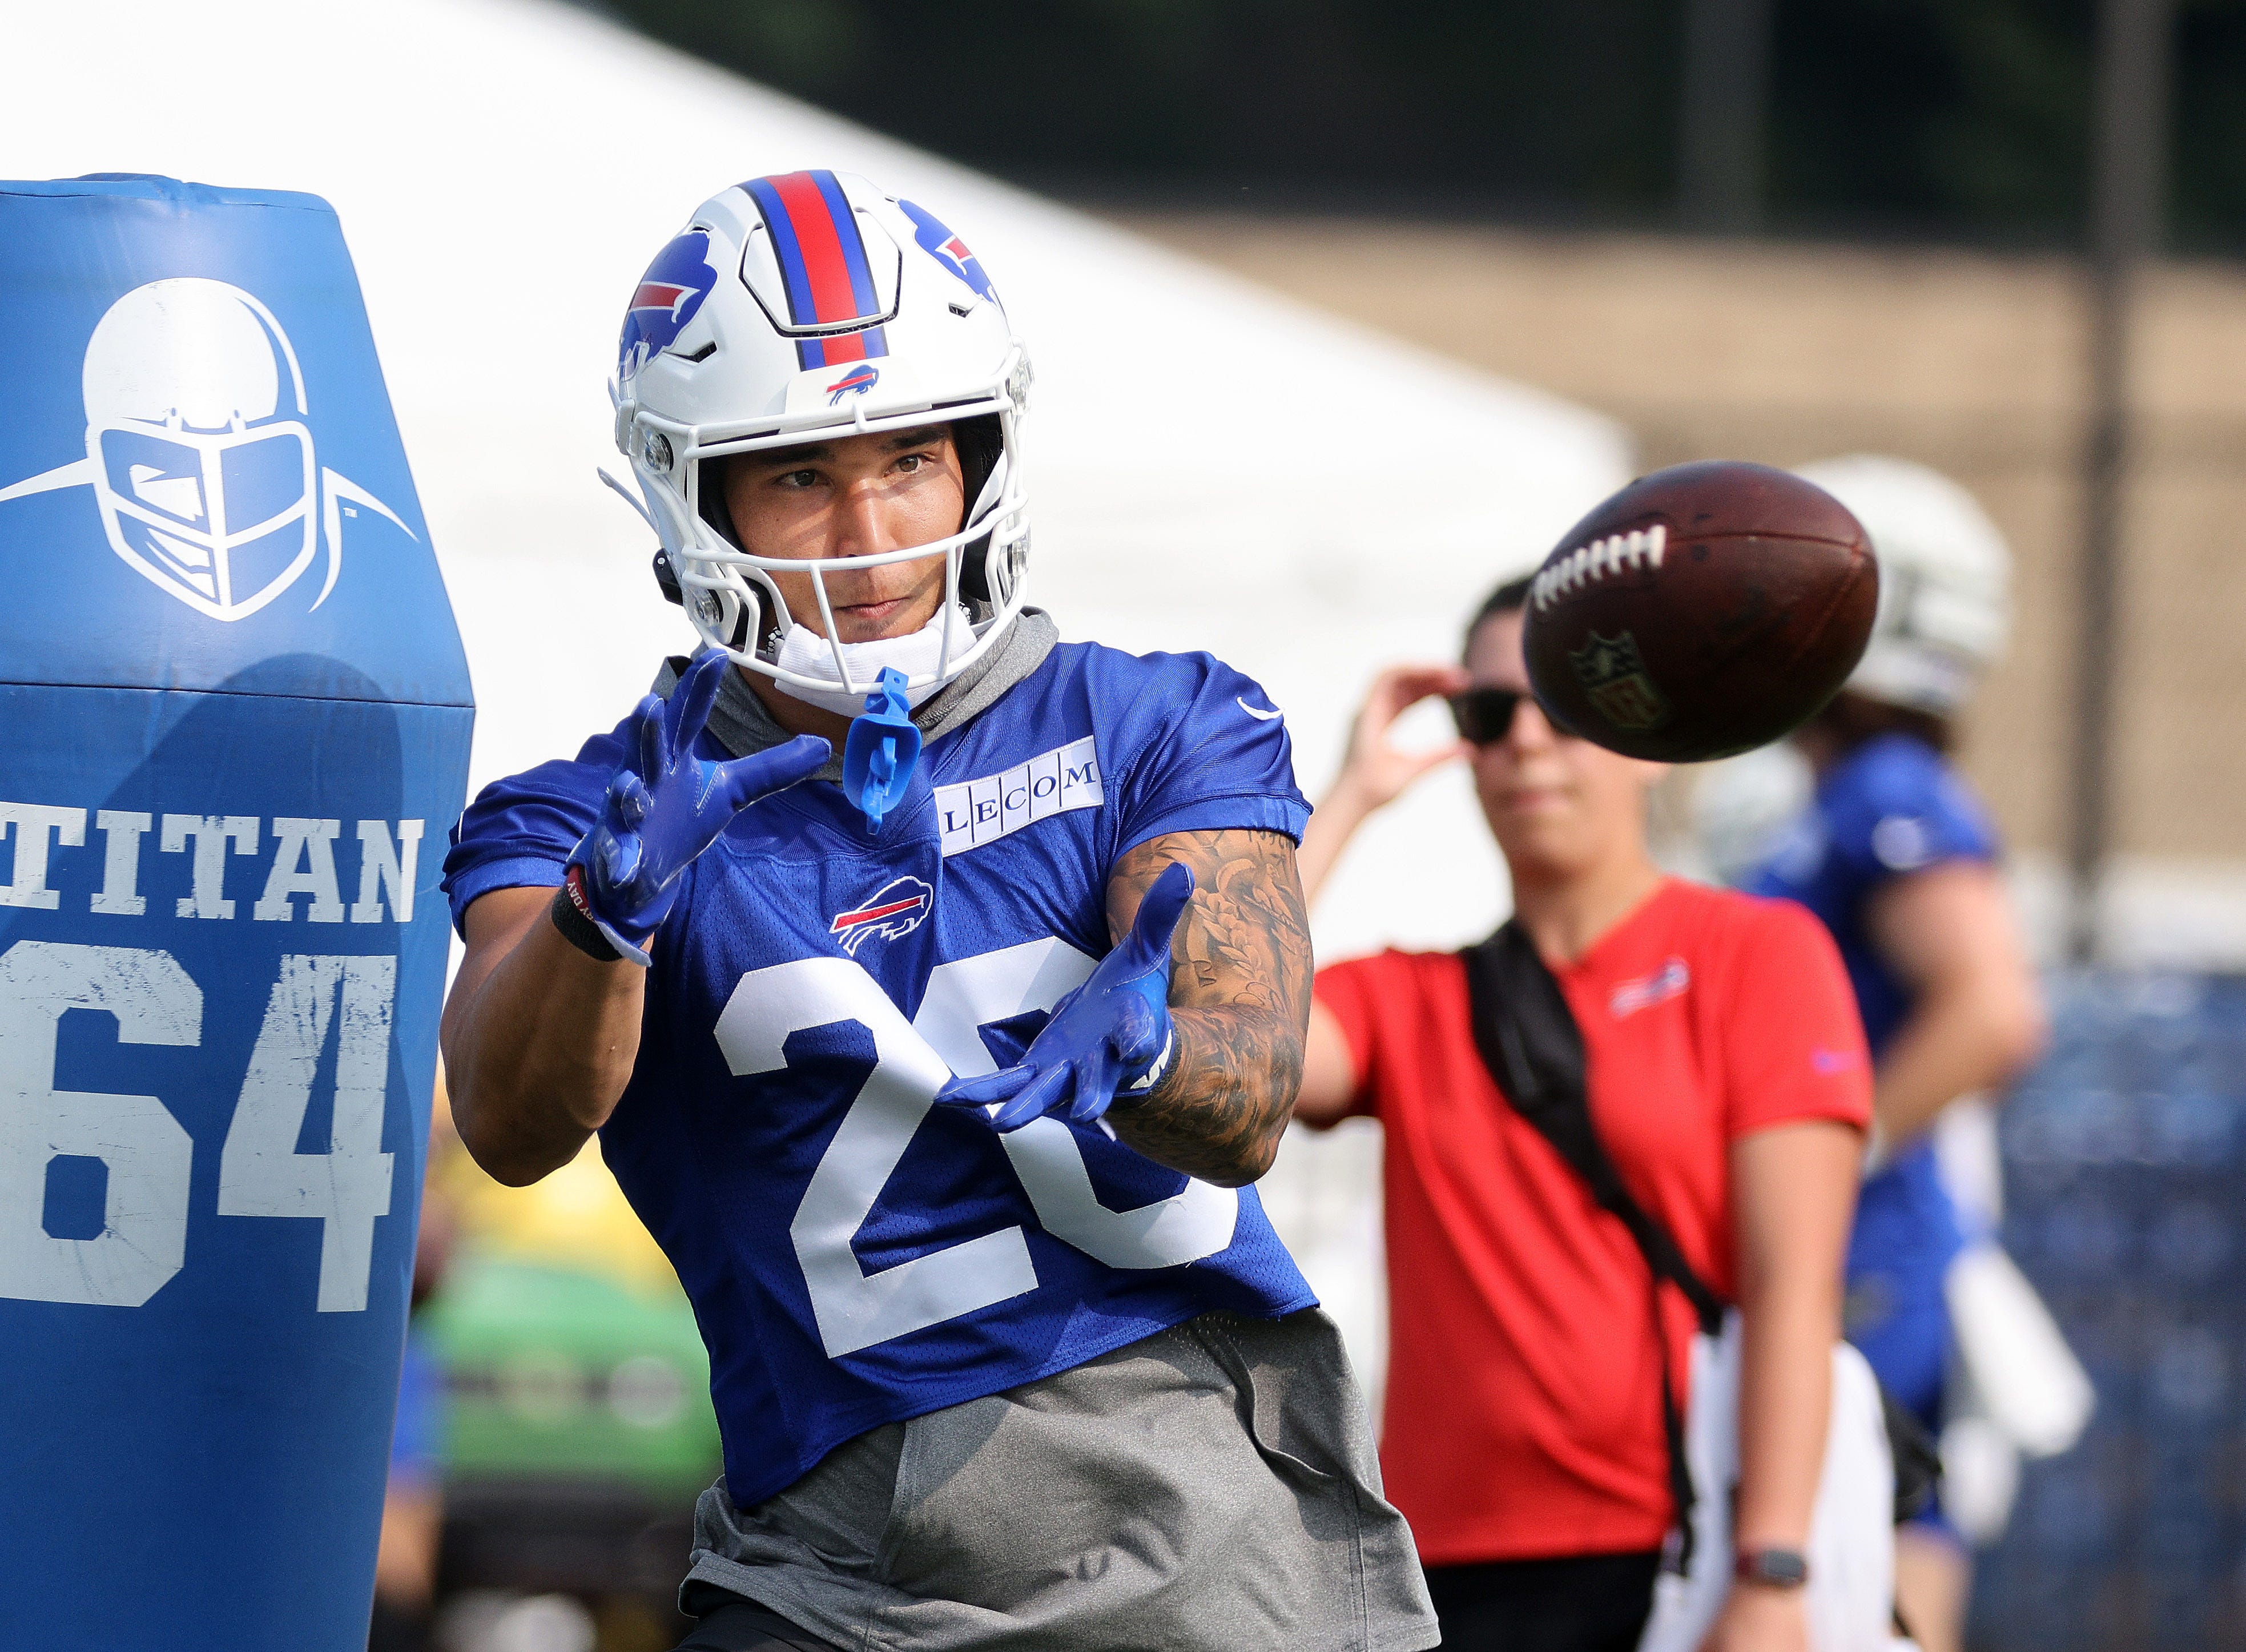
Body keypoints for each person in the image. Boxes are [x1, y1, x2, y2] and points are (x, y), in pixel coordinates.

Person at [438, 170, 1435, 1652]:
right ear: (689, 492)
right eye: (797, 476)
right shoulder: (595, 811)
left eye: (910, 458)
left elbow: (1242, 1100)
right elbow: (511, 1121)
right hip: (831, 1563)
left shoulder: (1156, 720)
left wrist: (1156, 1049)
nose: (870, 529)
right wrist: (602, 915)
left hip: (1186, 1539)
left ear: (981, 457)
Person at [1292, 574, 1872, 1652]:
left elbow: (1794, 1283)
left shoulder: (1757, 956)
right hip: (1443, 1571)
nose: (1526, 744)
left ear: (1650, 733)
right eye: (1489, 713)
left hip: (1679, 1553)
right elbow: (1221, 1051)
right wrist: (1349, 795)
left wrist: (1772, 1569)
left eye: (1567, 704)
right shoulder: (1409, 998)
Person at [1737, 457, 2047, 1652]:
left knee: (1855, 1576)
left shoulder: (1885, 790)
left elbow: (1990, 1011)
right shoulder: (1834, 790)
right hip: (1846, 1250)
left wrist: (1818, 1160)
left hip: (1861, 1253)